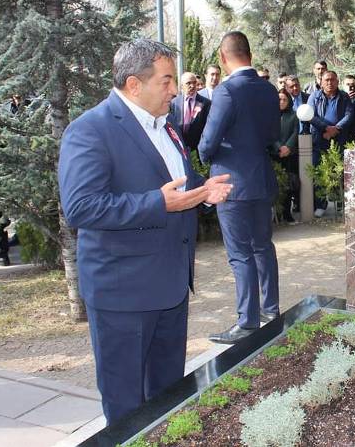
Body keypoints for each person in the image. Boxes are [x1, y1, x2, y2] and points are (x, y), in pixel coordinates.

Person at [58, 39, 233, 425]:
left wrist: (202, 192)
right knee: (126, 408)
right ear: (134, 85)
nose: (175, 90)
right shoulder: (90, 130)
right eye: (167, 81)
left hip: (170, 287)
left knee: (168, 399)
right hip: (124, 294)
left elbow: (176, 183)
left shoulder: (166, 127)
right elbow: (81, 207)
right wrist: (160, 203)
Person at [198, 31, 281, 343]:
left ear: (223, 57)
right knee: (262, 246)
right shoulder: (269, 89)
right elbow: (272, 134)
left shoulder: (226, 91)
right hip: (261, 178)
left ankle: (247, 322)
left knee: (240, 253)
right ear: (250, 53)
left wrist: (207, 157)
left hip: (231, 182)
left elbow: (208, 140)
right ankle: (270, 309)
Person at [305, 70, 353, 217]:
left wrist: (336, 129)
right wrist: (325, 128)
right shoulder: (315, 96)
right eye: (326, 80)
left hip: (339, 139)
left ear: (337, 81)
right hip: (320, 139)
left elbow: (349, 115)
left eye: (332, 79)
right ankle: (320, 204)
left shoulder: (344, 97)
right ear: (321, 82)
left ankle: (339, 203)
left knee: (339, 172)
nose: (329, 82)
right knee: (319, 172)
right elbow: (310, 115)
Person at [272, 88, 299, 222]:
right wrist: (279, 147)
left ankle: (287, 213)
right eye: (279, 99)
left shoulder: (294, 115)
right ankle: (276, 215)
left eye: (284, 99)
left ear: (288, 101)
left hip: (290, 155)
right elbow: (270, 133)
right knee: (275, 184)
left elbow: (296, 132)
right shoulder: (270, 115)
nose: (281, 102)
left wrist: (288, 147)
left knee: (289, 185)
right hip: (274, 154)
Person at [169, 72, 211, 151]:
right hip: (179, 148)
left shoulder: (206, 103)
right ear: (181, 86)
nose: (192, 86)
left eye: (194, 82)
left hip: (198, 149)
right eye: (188, 83)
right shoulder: (174, 102)